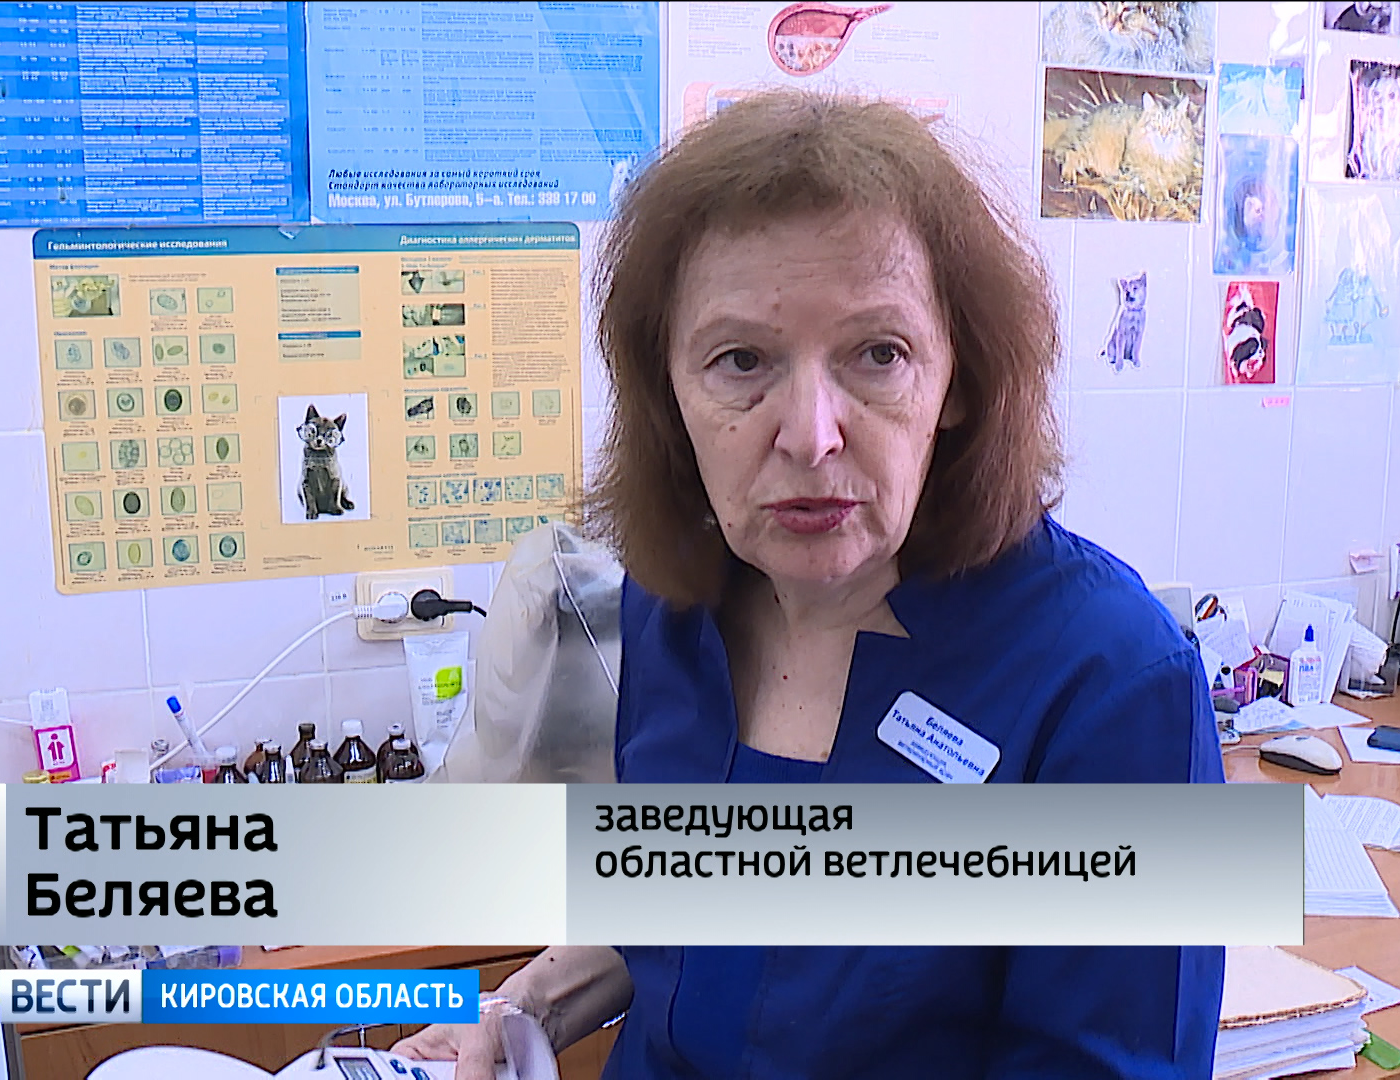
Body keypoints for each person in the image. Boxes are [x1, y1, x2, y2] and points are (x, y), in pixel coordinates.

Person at [396, 90, 1224, 1080]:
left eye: (879, 354)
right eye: (741, 359)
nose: (811, 434)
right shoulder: (676, 606)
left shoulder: (1114, 687)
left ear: (957, 381)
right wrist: (515, 1010)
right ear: (668, 392)